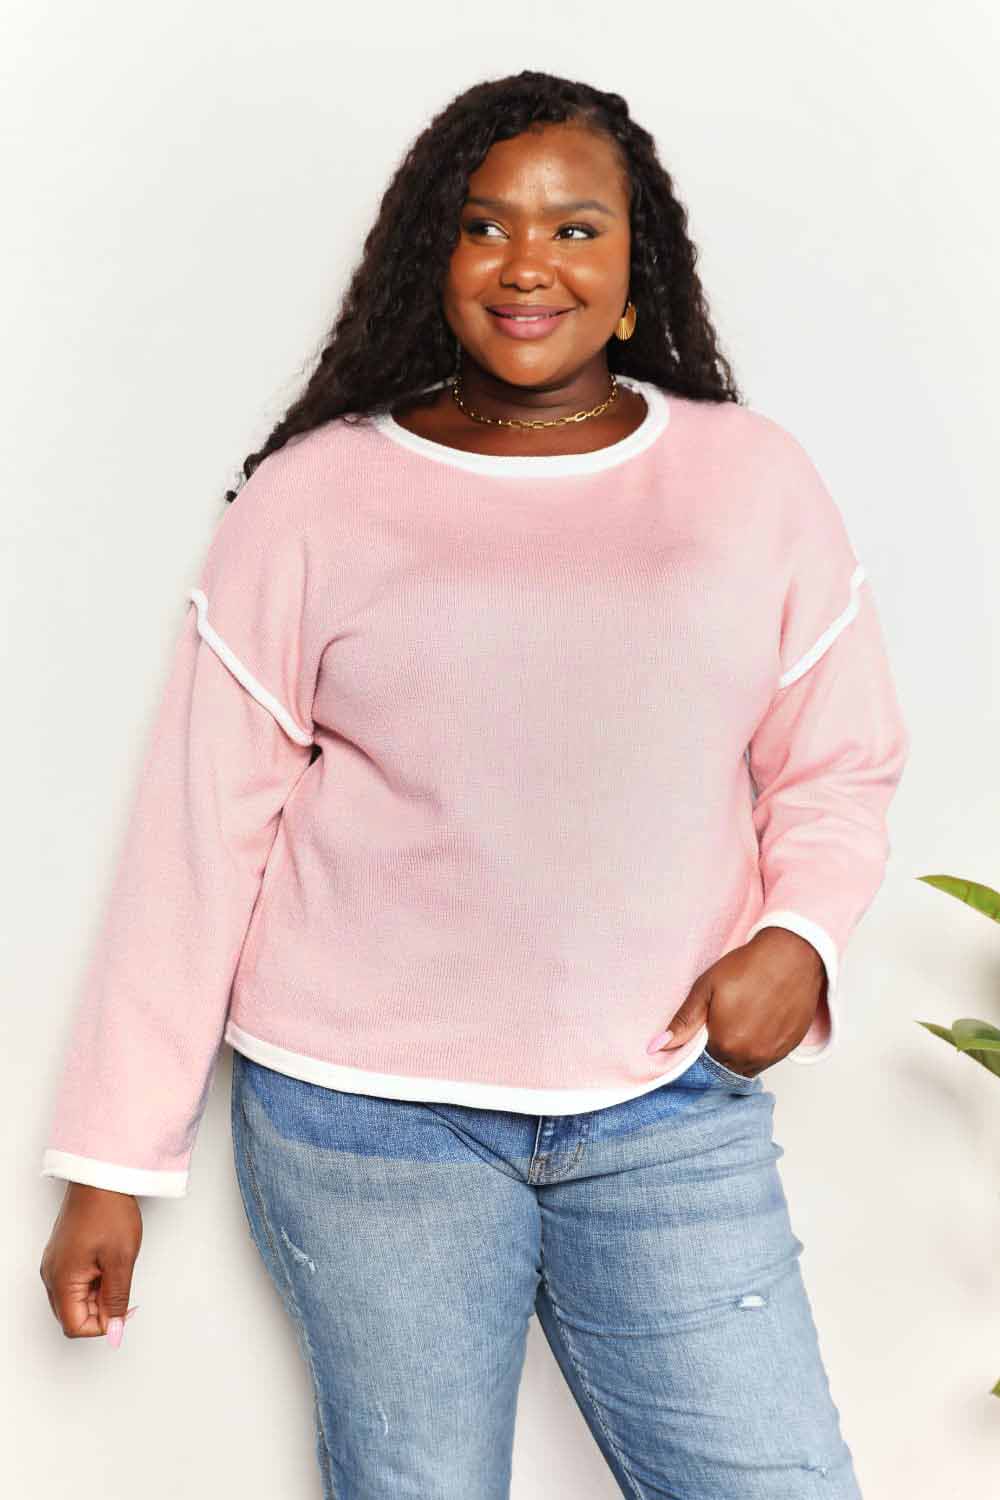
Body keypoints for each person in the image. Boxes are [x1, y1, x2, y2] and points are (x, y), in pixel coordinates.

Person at [39, 70, 909, 1498]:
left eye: (576, 230)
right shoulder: (312, 498)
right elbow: (201, 837)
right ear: (431, 261)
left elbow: (841, 754)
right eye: (487, 226)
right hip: (366, 1121)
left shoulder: (750, 482)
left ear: (637, 272)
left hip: (662, 1103)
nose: (529, 265)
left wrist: (800, 935)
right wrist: (111, 1168)